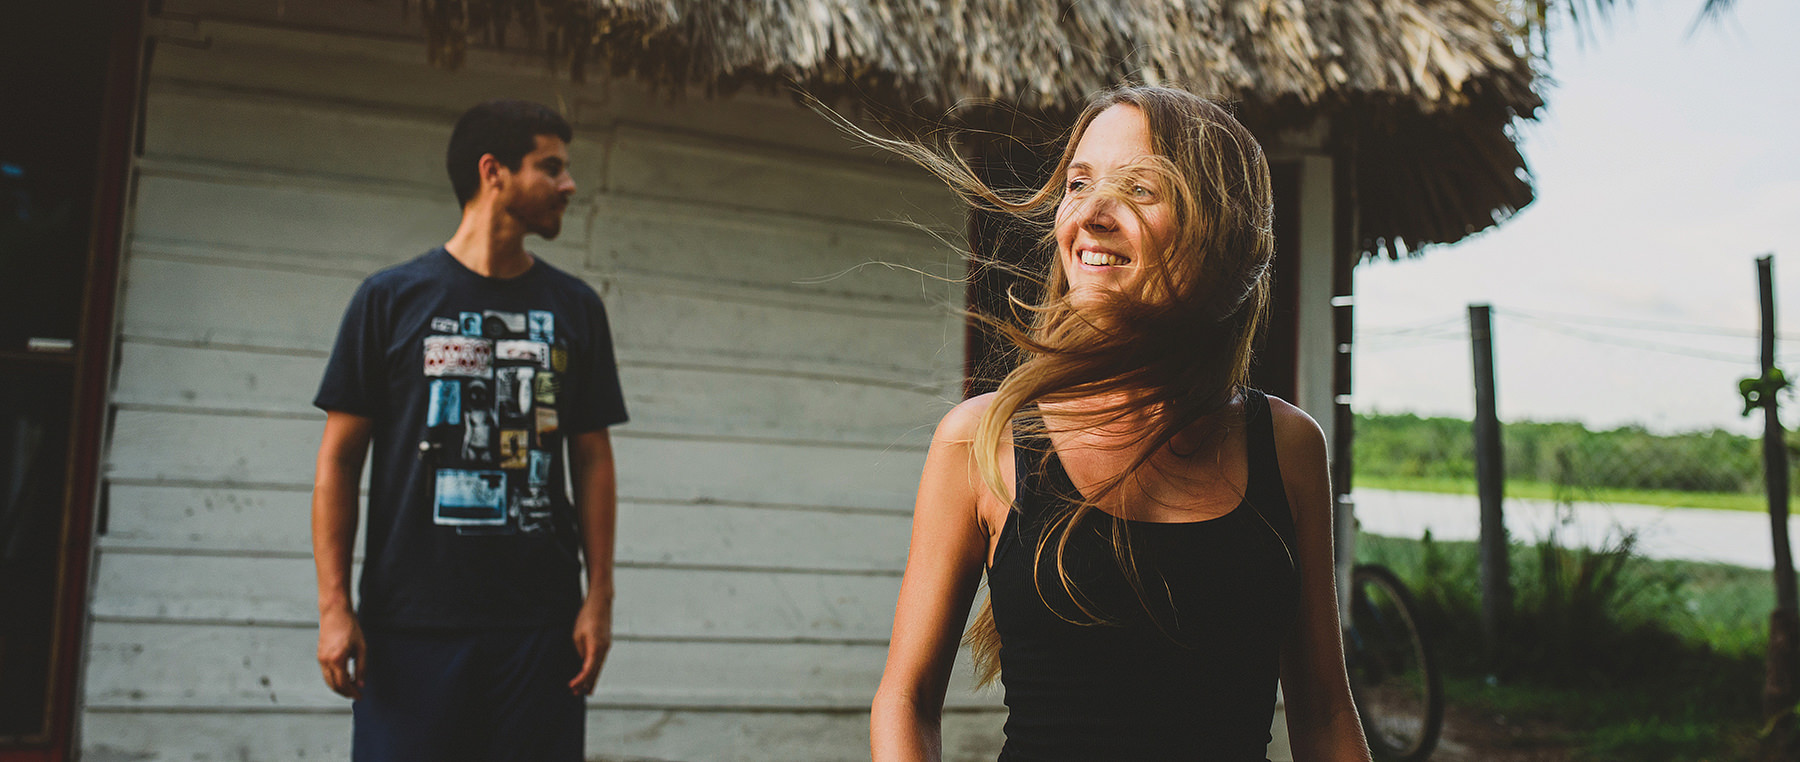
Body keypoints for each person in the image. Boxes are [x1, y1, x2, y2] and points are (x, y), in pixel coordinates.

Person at [868, 86, 1372, 761]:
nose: (1092, 214)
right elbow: (905, 700)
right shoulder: (982, 439)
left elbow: (1326, 714)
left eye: (1140, 189)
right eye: (1079, 184)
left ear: (1221, 229)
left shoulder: (1287, 446)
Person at [311, 99, 628, 762]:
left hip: (539, 629)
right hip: (409, 627)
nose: (569, 186)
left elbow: (593, 459)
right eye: (552, 168)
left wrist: (598, 596)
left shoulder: (575, 309)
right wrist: (334, 606)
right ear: (494, 172)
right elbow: (339, 462)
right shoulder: (389, 300)